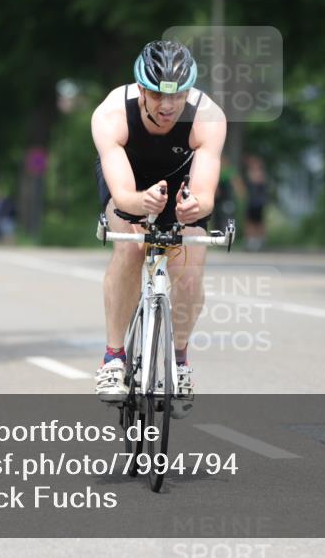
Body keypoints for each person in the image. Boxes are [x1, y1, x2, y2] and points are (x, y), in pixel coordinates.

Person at [90, 40, 227, 414]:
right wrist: (141, 203)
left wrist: (194, 206)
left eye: (177, 96)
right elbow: (122, 195)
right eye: (156, 95)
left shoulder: (207, 117)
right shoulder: (111, 114)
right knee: (131, 246)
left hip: (181, 182)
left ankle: (180, 361)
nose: (167, 107)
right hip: (130, 183)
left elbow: (205, 195)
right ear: (140, 88)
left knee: (191, 265)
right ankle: (114, 358)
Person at [243, 154, 269, 251]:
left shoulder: (260, 174)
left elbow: (257, 181)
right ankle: (250, 241)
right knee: (249, 222)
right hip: (251, 201)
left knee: (259, 223)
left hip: (258, 202)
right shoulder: (250, 173)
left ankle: (260, 241)